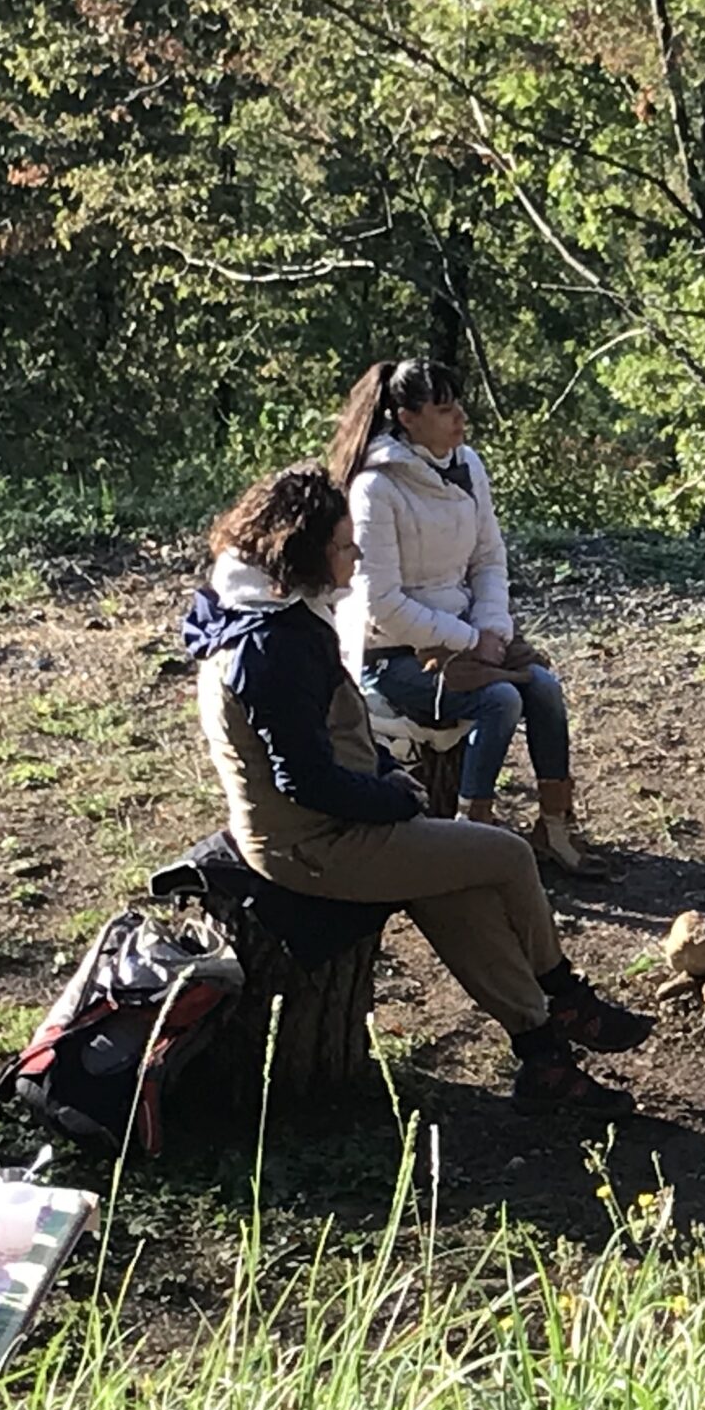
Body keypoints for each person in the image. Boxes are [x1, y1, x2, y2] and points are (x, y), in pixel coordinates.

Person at [185, 463, 649, 1119]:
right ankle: (564, 993)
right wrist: (394, 799)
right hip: (308, 843)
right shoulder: (269, 645)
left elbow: (329, 729)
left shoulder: (276, 611)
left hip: (330, 822)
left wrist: (379, 769)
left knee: (455, 886)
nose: (356, 555)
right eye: (345, 545)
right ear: (304, 550)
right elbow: (303, 777)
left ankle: (543, 1055)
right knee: (508, 855)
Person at [324, 358, 604, 877]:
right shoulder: (375, 487)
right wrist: (469, 638)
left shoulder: (468, 465)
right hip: (393, 654)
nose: (460, 418)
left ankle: (555, 828)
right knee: (498, 700)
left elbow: (487, 558)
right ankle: (468, 833)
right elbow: (381, 602)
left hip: (467, 638)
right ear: (407, 418)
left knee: (543, 687)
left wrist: (494, 628)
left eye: (459, 405)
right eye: (445, 408)